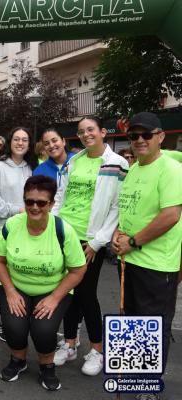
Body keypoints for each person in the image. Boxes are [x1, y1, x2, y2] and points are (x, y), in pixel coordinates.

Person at [0, 175, 86, 391]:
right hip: (15, 286)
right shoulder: (12, 225)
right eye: (29, 201)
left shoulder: (64, 230)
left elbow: (78, 270)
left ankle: (47, 365)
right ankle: (18, 360)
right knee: (14, 327)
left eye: (41, 203)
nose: (34, 207)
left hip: (53, 289)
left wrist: (54, 298)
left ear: (51, 204)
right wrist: (10, 291)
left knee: (43, 331)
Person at [112, 112, 182, 400]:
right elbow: (128, 210)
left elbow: (170, 215)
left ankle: (148, 385)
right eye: (134, 136)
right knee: (133, 320)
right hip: (129, 259)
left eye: (146, 135)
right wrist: (119, 232)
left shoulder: (170, 169)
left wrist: (132, 241)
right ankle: (135, 374)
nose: (139, 140)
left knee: (154, 325)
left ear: (160, 137)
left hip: (157, 263)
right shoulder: (135, 168)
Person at [53, 116, 128, 376]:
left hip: (89, 239)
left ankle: (97, 350)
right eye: (81, 131)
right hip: (66, 235)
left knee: (86, 294)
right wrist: (55, 226)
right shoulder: (74, 160)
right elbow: (61, 196)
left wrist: (97, 242)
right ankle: (70, 343)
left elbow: (118, 208)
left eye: (91, 130)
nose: (86, 135)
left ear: (103, 132)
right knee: (68, 293)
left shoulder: (117, 163)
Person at [0, 127, 38, 341]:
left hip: (25, 231)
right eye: (16, 139)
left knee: (18, 275)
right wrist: (17, 211)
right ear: (10, 141)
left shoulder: (32, 168)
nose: (20, 143)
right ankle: (5, 320)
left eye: (25, 140)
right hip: (1, 231)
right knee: (3, 279)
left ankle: (16, 317)